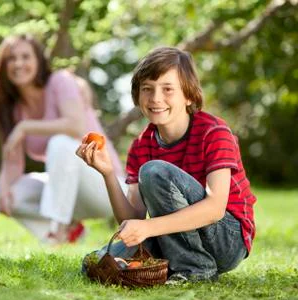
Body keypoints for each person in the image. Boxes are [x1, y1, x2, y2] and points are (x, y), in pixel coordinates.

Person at [77, 46, 256, 283]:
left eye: (168, 89)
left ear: (189, 95)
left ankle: (195, 268)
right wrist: (108, 173)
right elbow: (133, 217)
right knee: (101, 261)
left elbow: (215, 209)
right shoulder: (141, 144)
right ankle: (185, 263)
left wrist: (149, 229)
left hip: (226, 238)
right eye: (147, 89)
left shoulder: (214, 132)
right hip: (176, 235)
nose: (155, 98)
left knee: (153, 171)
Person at [0, 34, 125, 244]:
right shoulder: (14, 108)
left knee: (60, 143)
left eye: (25, 56)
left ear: (38, 60)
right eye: (11, 58)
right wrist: (1, 190)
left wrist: (25, 127)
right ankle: (69, 234)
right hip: (66, 191)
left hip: (106, 188)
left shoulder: (60, 81)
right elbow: (12, 162)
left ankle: (58, 231)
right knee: (6, 192)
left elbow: (76, 126)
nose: (18, 64)